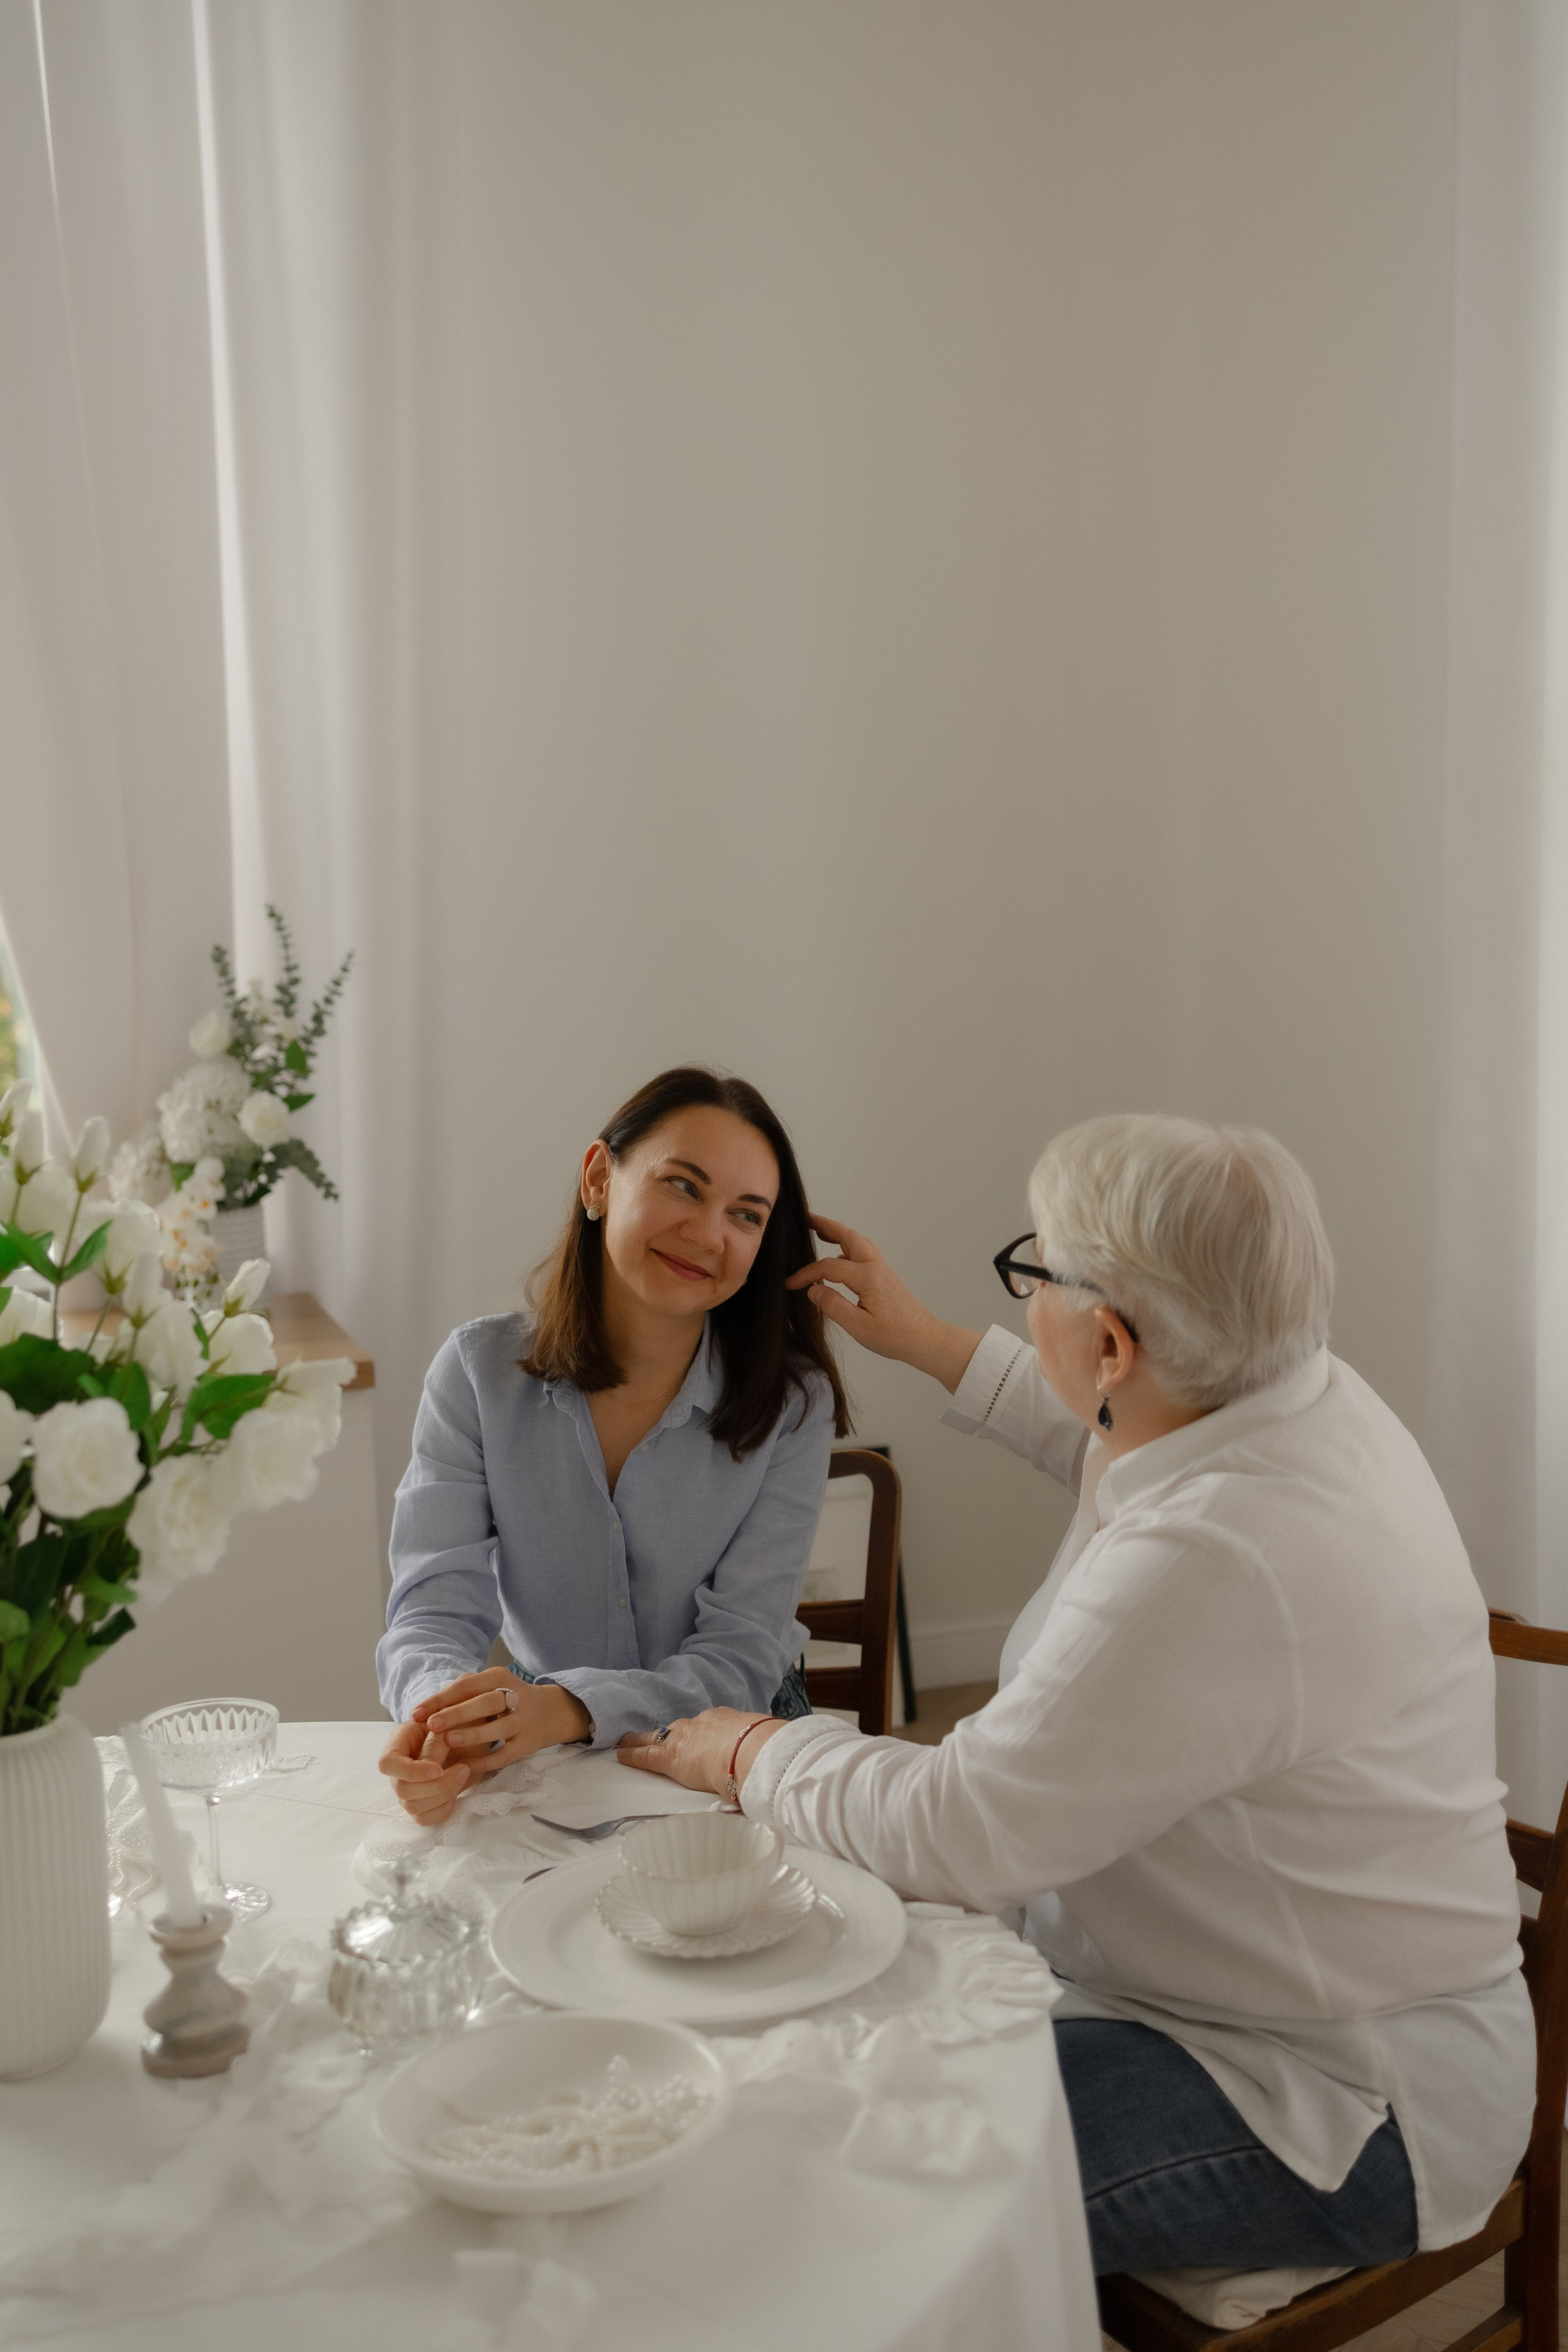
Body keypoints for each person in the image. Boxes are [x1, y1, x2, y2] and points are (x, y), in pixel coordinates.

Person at [620, 1114, 1536, 2279]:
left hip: (1332, 2099)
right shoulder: (1288, 1391)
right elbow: (1117, 1438)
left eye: (1032, 1271)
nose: (1019, 1296)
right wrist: (937, 1345)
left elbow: (959, 1830)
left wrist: (752, 1751)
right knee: (825, 2066)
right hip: (1245, 1992)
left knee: (859, 2200)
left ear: (1108, 1343)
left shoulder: (1221, 1561)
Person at [377, 1066, 849, 1826]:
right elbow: (431, 1611)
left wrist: (565, 1708)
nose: (707, 1235)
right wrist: (440, 1722)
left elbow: (741, 1655)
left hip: (734, 1745)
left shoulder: (793, 1407)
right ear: (599, 1180)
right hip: (531, 1740)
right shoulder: (476, 1374)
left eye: (747, 1216)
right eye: (684, 1186)